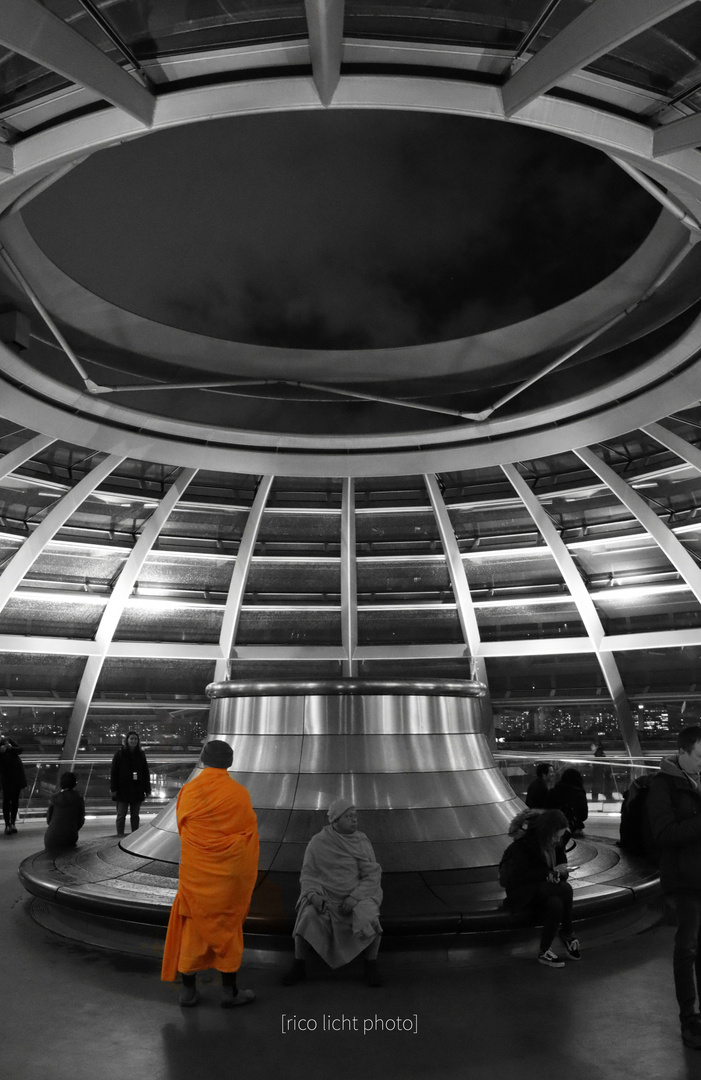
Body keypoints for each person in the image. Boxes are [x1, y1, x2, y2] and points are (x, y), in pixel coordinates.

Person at [161, 739, 259, 1007]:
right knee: (228, 928)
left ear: (203, 760)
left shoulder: (189, 791)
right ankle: (229, 992)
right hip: (228, 878)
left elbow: (184, 830)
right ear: (229, 762)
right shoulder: (239, 793)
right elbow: (248, 832)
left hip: (196, 875)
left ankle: (188, 992)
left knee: (192, 930)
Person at [283, 797, 383, 988]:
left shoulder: (361, 841)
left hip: (355, 896)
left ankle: (371, 965)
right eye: (349, 817)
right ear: (335, 821)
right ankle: (298, 965)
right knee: (307, 915)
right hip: (327, 897)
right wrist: (314, 896)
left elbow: (372, 875)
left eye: (355, 816)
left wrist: (355, 897)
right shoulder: (318, 842)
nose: (354, 820)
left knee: (370, 916)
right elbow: (309, 875)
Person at [647, 726, 701, 1048]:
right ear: (682, 753)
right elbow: (664, 833)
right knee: (688, 947)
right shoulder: (662, 786)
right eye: (699, 756)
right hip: (684, 881)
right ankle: (688, 1020)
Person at [500, 807, 581, 968]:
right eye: (555, 836)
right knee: (566, 890)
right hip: (521, 892)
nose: (557, 841)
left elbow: (562, 869)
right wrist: (548, 873)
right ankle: (568, 933)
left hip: (543, 890)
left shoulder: (556, 844)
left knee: (556, 903)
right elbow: (519, 877)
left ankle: (544, 950)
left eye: (560, 836)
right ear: (546, 832)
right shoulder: (523, 846)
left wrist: (559, 874)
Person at [110, 730, 152, 837]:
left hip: (137, 789)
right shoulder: (119, 754)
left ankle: (134, 836)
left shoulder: (141, 755)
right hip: (122, 789)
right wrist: (113, 789)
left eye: (135, 739)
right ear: (127, 740)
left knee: (135, 815)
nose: (133, 741)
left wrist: (147, 789)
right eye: (131, 739)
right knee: (121, 815)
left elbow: (145, 772)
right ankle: (119, 836)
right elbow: (114, 772)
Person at [44, 772, 85, 850]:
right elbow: (81, 820)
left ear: (61, 783)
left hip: (51, 836)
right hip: (70, 836)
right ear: (75, 783)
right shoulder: (79, 799)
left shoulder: (54, 798)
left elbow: (49, 819)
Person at [549, 767, 588, 835]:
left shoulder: (553, 791)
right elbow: (583, 815)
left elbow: (548, 809)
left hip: (555, 827)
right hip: (573, 828)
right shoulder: (579, 794)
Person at [0, 735, 27, 835]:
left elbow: (20, 750)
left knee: (15, 800)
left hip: (16, 774)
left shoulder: (7, 740)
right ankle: (8, 824)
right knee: (6, 800)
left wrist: (11, 748)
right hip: (5, 776)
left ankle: (12, 823)